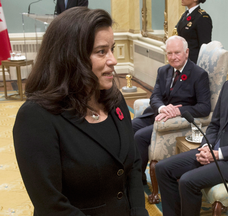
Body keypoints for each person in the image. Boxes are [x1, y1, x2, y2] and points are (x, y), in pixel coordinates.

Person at [13, 7, 148, 216]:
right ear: (70, 57)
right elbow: (51, 205)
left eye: (112, 48)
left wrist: (140, 212)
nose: (113, 60)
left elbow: (133, 165)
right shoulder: (35, 117)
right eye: (101, 51)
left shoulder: (115, 101)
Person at [155, 32, 228, 216]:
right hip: (214, 151)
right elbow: (215, 125)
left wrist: (218, 155)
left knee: (188, 181)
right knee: (163, 168)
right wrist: (207, 147)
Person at [132, 35, 211, 185]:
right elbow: (154, 96)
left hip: (174, 122)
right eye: (169, 53)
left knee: (140, 136)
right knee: (130, 126)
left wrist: (178, 111)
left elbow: (205, 107)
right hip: (157, 114)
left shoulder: (199, 75)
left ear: (186, 52)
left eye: (177, 52)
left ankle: (136, 179)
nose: (173, 57)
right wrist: (162, 108)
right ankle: (132, 172)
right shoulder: (163, 70)